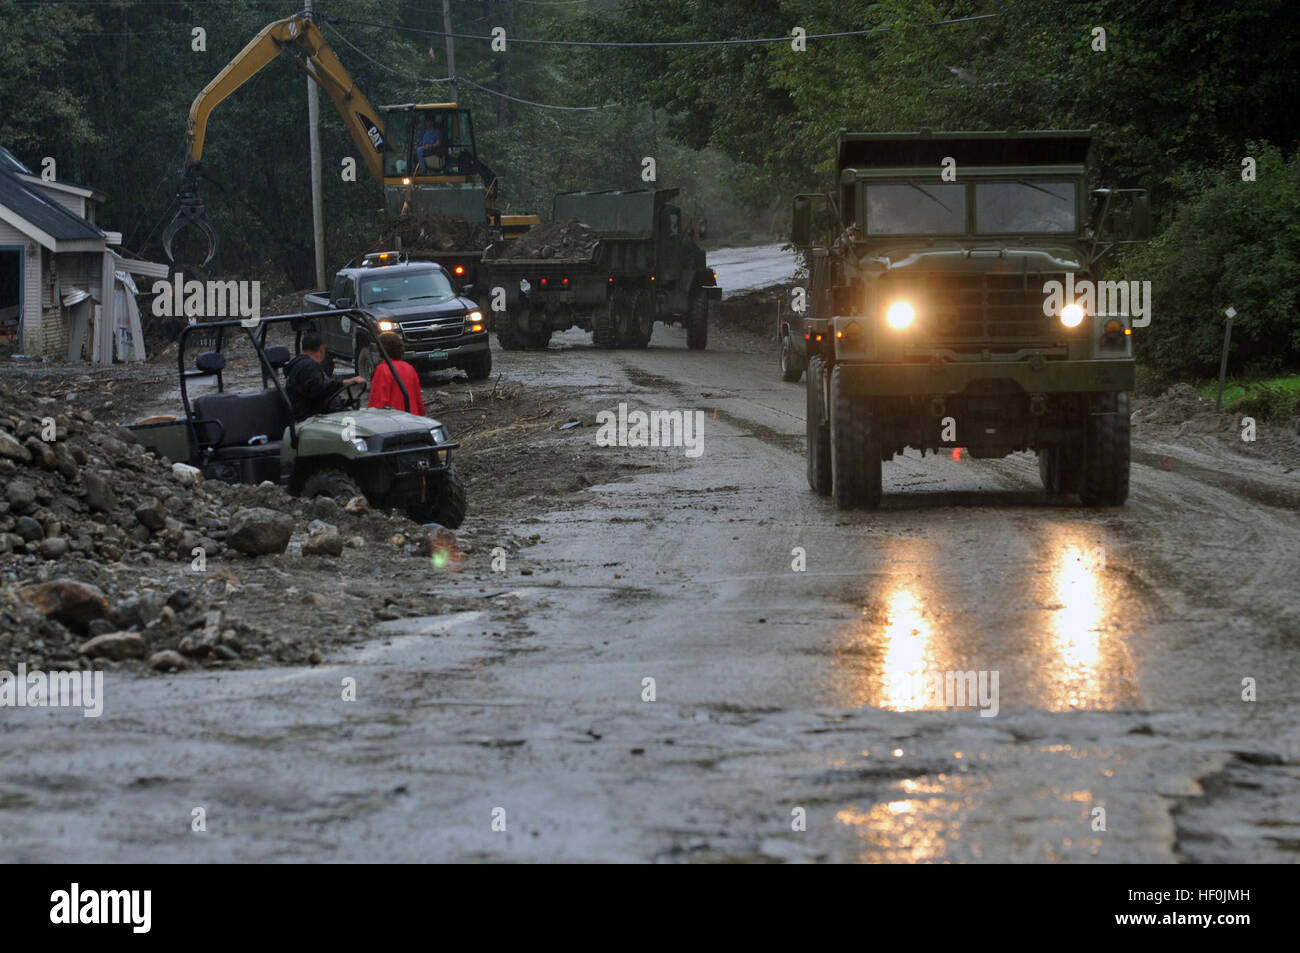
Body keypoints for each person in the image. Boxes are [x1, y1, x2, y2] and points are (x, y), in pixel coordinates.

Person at [284, 332, 364, 421]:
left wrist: (344, 402)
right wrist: (345, 382)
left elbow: (320, 391)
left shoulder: (301, 365)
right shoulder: (309, 366)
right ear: (321, 349)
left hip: (309, 413)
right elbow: (320, 389)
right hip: (309, 418)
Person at [367, 331, 426, 416]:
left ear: (381, 349)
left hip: (393, 423)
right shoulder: (409, 368)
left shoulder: (383, 369)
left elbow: (378, 402)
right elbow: (418, 400)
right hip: (413, 420)